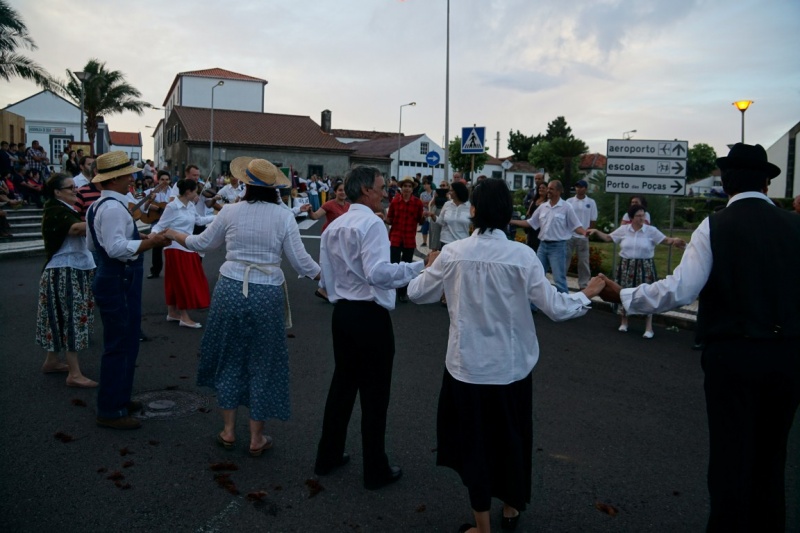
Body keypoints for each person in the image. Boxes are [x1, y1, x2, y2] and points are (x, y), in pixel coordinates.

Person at [599, 143, 800, 532]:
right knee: (773, 458)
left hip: (733, 354)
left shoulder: (715, 226)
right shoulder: (795, 226)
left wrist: (624, 295)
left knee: (731, 458)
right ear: (767, 183)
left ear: (726, 184)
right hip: (788, 356)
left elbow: (681, 289)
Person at [407, 179, 605, 533]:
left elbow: (417, 294)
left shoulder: (453, 253)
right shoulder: (522, 256)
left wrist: (428, 265)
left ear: (473, 211)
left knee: (474, 445)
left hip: (466, 369)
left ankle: (481, 525)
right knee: (512, 440)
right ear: (507, 214)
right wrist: (586, 294)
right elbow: (556, 308)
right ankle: (512, 506)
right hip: (511, 370)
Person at [164, 157, 320, 456]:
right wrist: (330, 278)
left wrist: (173, 234)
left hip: (231, 288)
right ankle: (256, 438)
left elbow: (201, 244)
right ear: (274, 187)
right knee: (263, 361)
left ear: (245, 184)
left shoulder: (230, 211)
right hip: (267, 291)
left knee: (230, 356)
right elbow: (302, 262)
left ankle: (228, 430)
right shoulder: (283, 216)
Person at [314, 165, 425, 490]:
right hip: (369, 315)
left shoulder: (335, 226)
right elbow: (378, 273)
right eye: (381, 187)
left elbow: (326, 277)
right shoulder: (372, 223)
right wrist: (418, 267)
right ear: (365, 190)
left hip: (342, 313)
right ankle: (375, 468)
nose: (385, 192)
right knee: (375, 395)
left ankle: (328, 455)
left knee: (342, 387)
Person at [86, 151, 169, 430]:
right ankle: (110, 410)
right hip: (119, 277)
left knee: (126, 340)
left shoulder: (99, 206)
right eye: (127, 174)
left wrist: (138, 237)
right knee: (120, 344)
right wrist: (150, 242)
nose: (132, 178)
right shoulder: (112, 208)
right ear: (116, 179)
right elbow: (116, 249)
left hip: (113, 275)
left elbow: (93, 244)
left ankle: (119, 397)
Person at [35, 173, 97, 387]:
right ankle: (74, 374)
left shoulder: (61, 209)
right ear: (57, 192)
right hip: (65, 270)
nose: (75, 190)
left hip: (66, 269)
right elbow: (75, 229)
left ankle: (51, 361)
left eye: (74, 186)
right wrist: (104, 220)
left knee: (59, 317)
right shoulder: (56, 210)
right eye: (70, 188)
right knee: (72, 317)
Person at [588, 204, 685, 338]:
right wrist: (596, 231)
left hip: (645, 267)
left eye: (643, 215)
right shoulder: (624, 230)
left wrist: (675, 240)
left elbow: (666, 240)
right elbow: (608, 238)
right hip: (626, 266)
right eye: (638, 216)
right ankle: (624, 321)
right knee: (624, 292)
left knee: (647, 294)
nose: (641, 218)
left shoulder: (651, 231)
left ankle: (649, 327)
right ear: (631, 218)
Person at [151, 179, 215, 328]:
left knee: (175, 280)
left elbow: (199, 221)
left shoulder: (191, 205)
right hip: (174, 248)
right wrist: (152, 236)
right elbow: (160, 225)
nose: (197, 194)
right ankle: (184, 317)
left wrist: (218, 217)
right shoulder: (172, 206)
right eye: (195, 191)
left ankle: (172, 312)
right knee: (183, 282)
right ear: (188, 192)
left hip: (187, 246)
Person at [511, 180, 586, 294]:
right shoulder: (543, 207)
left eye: (551, 189)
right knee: (536, 276)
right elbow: (531, 223)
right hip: (543, 246)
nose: (548, 191)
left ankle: (564, 302)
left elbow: (576, 225)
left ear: (559, 191)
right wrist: (511, 221)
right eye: (548, 188)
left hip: (558, 247)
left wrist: (584, 232)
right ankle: (534, 303)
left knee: (559, 279)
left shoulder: (566, 207)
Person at [386, 176, 425, 303]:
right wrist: (382, 218)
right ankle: (392, 292)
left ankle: (403, 292)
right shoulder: (395, 201)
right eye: (405, 186)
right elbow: (390, 219)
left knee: (407, 267)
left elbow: (420, 221)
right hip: (395, 238)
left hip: (409, 239)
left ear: (412, 189)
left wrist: (425, 217)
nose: (407, 189)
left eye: (409, 186)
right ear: (401, 188)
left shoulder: (418, 203)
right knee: (394, 266)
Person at [566, 179, 598, 289]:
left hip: (583, 235)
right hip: (570, 235)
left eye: (581, 187)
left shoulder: (591, 202)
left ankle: (583, 284)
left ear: (586, 189)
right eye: (577, 187)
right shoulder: (569, 201)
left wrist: (589, 231)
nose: (579, 189)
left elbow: (593, 219)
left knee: (583, 261)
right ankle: (561, 280)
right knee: (565, 259)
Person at [142, 170, 172, 279]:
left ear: (170, 181)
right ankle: (155, 271)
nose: (164, 182)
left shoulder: (173, 193)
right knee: (156, 247)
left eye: (167, 179)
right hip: (156, 221)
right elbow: (142, 205)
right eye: (162, 179)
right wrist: (152, 205)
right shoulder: (151, 192)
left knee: (171, 247)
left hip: (170, 222)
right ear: (158, 180)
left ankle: (172, 271)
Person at [524, 182, 548, 251]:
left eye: (543, 188)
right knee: (529, 244)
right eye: (540, 188)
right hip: (531, 226)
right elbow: (528, 212)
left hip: (540, 227)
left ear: (547, 190)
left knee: (537, 245)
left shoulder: (547, 202)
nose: (541, 189)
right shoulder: (534, 200)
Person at [419, 179, 435, 247]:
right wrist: (428, 203)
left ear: (429, 185)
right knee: (424, 228)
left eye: (426, 184)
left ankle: (433, 242)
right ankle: (424, 242)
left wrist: (427, 203)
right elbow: (421, 202)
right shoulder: (422, 194)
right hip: (425, 213)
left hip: (432, 213)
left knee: (433, 229)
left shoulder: (434, 192)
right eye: (424, 184)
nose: (424, 186)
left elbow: (434, 202)